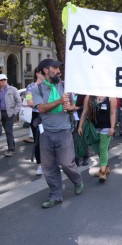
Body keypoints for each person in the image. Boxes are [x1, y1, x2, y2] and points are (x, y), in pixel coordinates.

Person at [31, 58, 83, 208]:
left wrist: (70, 107)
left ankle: (77, 180)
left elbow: (74, 106)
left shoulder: (65, 86)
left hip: (64, 131)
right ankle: (55, 195)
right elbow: (41, 108)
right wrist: (59, 101)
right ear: (46, 70)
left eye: (59, 68)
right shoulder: (37, 89)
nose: (59, 71)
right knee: (48, 167)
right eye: (55, 68)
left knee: (67, 163)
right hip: (46, 133)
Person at [78, 95, 116, 182]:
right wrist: (80, 126)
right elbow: (84, 112)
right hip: (93, 128)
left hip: (106, 127)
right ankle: (106, 167)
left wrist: (112, 127)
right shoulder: (89, 97)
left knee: (103, 148)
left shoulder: (111, 97)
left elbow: (113, 113)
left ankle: (102, 172)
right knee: (97, 149)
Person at [25, 67, 44, 175]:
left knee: (50, 140)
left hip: (48, 115)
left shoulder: (48, 86)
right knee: (38, 141)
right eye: (43, 73)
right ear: (37, 74)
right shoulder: (30, 86)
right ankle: (40, 165)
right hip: (37, 115)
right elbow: (29, 102)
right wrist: (44, 105)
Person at [0, 74, 22, 157]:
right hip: (1, 114)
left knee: (8, 131)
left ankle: (11, 150)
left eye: (4, 80)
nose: (3, 81)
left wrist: (14, 113)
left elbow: (19, 102)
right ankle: (12, 147)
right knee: (7, 131)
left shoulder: (13, 89)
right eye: (1, 80)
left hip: (10, 113)